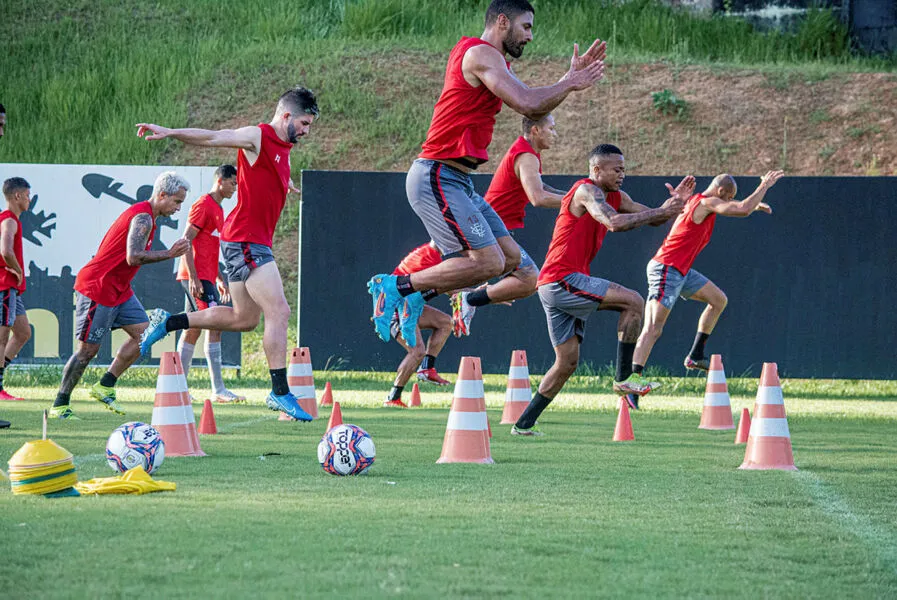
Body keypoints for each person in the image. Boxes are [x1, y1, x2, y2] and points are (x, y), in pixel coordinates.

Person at [367, 0, 606, 348]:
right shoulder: (480, 54)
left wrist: (565, 82)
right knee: (489, 261)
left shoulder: (494, 61)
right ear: (503, 22)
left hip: (459, 182)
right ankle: (394, 287)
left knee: (520, 270)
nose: (530, 36)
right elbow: (528, 104)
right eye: (526, 27)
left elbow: (533, 99)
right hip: (437, 175)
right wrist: (569, 82)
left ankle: (420, 293)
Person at [134, 87, 319, 421]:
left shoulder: (285, 148)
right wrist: (171, 132)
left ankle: (168, 321)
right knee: (279, 309)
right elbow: (213, 137)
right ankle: (279, 392)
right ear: (287, 115)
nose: (306, 131)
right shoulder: (257, 137)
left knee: (243, 319)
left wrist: (285, 183)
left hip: (246, 241)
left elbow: (270, 173)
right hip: (247, 241)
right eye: (304, 123)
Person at [511, 144, 692, 436]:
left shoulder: (616, 196)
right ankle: (624, 379)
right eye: (616, 169)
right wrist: (662, 211)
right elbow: (614, 222)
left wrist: (674, 207)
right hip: (562, 278)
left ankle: (523, 425)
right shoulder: (586, 191)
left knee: (566, 363)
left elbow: (653, 217)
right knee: (633, 302)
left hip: (556, 283)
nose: (622, 175)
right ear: (597, 170)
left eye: (624, 169)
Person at [49, 172, 190, 419]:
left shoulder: (150, 217)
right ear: (162, 195)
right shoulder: (144, 217)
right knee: (87, 352)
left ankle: (105, 384)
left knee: (147, 334)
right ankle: (60, 403)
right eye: (177, 201)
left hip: (119, 290)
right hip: (98, 287)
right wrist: (169, 254)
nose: (179, 207)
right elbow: (133, 257)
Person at [632, 171, 784, 375]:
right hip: (666, 268)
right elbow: (742, 209)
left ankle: (695, 355)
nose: (728, 202)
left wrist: (753, 204)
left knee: (718, 300)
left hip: (681, 270)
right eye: (728, 198)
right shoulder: (705, 203)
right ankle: (631, 379)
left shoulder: (695, 201)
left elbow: (738, 206)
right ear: (720, 191)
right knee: (653, 328)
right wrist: (764, 185)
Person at [450, 113, 566, 335]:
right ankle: (465, 296)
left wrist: (574, 195)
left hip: (489, 227)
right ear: (535, 130)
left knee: (522, 277)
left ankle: (464, 295)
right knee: (530, 277)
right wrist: (579, 202)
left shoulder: (528, 153)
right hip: (488, 228)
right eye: (551, 129)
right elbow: (538, 197)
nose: (555, 134)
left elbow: (543, 188)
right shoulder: (527, 155)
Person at [175, 164, 246, 403]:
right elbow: (185, 241)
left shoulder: (218, 209)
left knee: (202, 328)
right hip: (194, 276)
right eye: (233, 183)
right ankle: (208, 389)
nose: (235, 188)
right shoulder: (203, 205)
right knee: (205, 326)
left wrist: (218, 277)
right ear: (220, 181)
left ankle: (193, 389)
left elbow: (209, 247)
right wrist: (194, 278)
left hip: (206, 276)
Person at [385, 242, 453, 408]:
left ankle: (426, 369)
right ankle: (393, 398)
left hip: (409, 307)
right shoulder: (429, 257)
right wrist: (486, 295)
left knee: (445, 322)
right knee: (417, 351)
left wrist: (485, 294)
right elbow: (451, 288)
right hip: (395, 309)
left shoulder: (431, 255)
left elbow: (450, 287)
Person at [0, 178, 34, 403]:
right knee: (1, 339)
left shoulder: (11, 220)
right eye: (28, 195)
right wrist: (18, 270)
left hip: (11, 289)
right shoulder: (9, 220)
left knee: (23, 333)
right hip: (5, 286)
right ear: (18, 196)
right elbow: (5, 249)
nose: (30, 200)